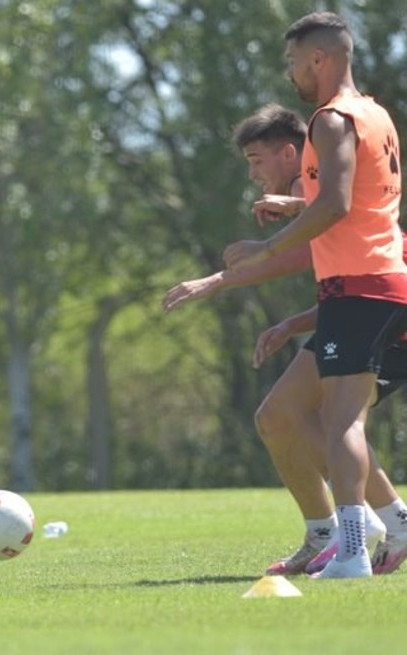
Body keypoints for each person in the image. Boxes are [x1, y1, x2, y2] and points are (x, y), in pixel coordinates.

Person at [164, 104, 407, 576]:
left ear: (290, 154)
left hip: (386, 314)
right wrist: (291, 325)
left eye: (257, 160)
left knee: (311, 418)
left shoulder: (306, 185)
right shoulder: (314, 189)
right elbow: (337, 268)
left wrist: (217, 280)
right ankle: (349, 528)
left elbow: (301, 257)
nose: (253, 174)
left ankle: (362, 529)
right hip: (381, 308)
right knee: (289, 416)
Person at [224, 12, 407, 579]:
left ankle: (352, 551)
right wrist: (294, 205)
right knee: (302, 414)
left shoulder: (330, 120)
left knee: (341, 422)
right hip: (382, 281)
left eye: (293, 62)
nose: (291, 73)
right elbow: (359, 200)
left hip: (358, 284)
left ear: (319, 59)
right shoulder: (375, 114)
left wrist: (267, 246)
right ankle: (387, 530)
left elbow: (336, 205)